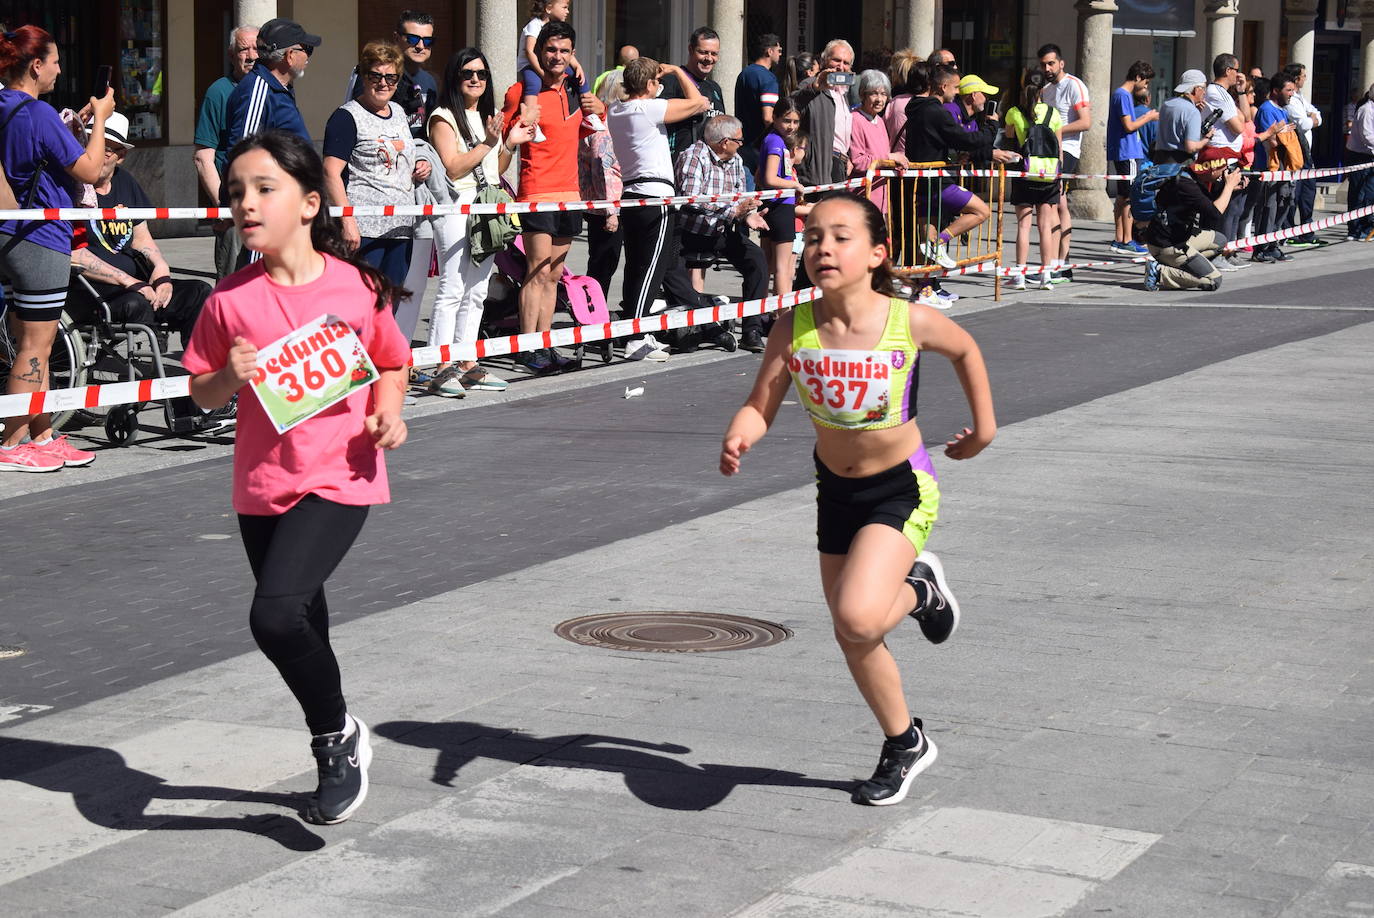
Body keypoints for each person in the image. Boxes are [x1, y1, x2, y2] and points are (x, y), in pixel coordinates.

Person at [719, 191, 995, 807]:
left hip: (901, 487)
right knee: (854, 634)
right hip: (834, 491)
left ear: (876, 253)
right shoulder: (795, 325)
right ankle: (905, 743)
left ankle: (920, 589)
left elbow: (966, 349)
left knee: (858, 616)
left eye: (840, 236)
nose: (823, 248)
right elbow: (762, 403)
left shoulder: (907, 319)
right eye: (814, 237)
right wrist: (742, 432)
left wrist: (984, 429)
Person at [183, 130, 411, 827]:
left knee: (274, 615)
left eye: (263, 189)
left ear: (310, 204)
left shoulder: (356, 287)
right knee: (304, 617)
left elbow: (393, 361)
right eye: (235, 193)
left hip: (342, 476)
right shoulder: (229, 300)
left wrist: (387, 416)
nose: (245, 204)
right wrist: (230, 375)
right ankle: (339, 733)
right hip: (262, 485)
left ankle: (333, 738)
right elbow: (199, 394)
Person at [0, 25, 114, 473]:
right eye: (54, 61)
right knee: (35, 343)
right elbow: (88, 170)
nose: (59, 69)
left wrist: (76, 126)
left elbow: (33, 155)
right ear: (35, 65)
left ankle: (41, 433)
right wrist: (101, 118)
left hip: (12, 233)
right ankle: (11, 442)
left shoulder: (6, 106)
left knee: (37, 343)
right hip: (40, 237)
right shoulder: (39, 112)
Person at [425, 48, 533, 398]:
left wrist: (509, 145)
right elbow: (454, 168)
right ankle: (442, 365)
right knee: (453, 288)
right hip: (458, 207)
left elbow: (494, 171)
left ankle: (466, 361)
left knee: (477, 291)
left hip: (486, 208)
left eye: (481, 74)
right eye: (467, 73)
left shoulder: (488, 115)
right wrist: (489, 141)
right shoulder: (443, 117)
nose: (475, 79)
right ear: (455, 78)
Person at [500, 20, 606, 374]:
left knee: (555, 274)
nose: (557, 56)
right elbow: (505, 141)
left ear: (572, 54)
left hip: (570, 193)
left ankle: (544, 345)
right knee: (536, 269)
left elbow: (595, 127)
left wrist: (598, 106)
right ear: (539, 52)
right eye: (551, 50)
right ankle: (527, 347)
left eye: (564, 51)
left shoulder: (577, 91)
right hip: (536, 191)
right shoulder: (521, 91)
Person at [607, 56, 710, 362]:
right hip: (655, 195)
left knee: (636, 265)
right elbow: (700, 102)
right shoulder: (648, 108)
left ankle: (636, 329)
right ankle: (636, 336)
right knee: (653, 268)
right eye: (657, 81)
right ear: (650, 84)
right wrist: (678, 70)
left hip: (632, 194)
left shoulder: (616, 109)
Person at [323, 41, 429, 288]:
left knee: (388, 304)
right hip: (364, 230)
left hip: (401, 226)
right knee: (360, 302)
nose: (383, 83)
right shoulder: (346, 117)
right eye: (376, 76)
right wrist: (347, 221)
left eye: (391, 78)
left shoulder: (399, 112)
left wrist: (421, 165)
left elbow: (404, 155)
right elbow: (330, 172)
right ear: (364, 76)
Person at [224, 17, 320, 270]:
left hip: (289, 204)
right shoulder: (258, 89)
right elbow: (243, 154)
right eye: (305, 50)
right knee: (261, 278)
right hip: (267, 209)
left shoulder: (279, 88)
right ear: (289, 55)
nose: (308, 57)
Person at [904, 65, 1016, 277]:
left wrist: (959, 155)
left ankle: (926, 289)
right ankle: (939, 243)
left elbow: (945, 142)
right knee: (981, 211)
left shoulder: (919, 108)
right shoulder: (936, 111)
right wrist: (992, 126)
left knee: (927, 234)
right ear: (943, 86)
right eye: (955, 88)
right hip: (934, 181)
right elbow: (968, 140)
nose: (957, 93)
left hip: (922, 181)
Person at [676, 115, 770, 353]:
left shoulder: (736, 159)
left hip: (721, 228)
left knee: (756, 260)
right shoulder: (693, 157)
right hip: (690, 231)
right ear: (724, 142)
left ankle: (752, 329)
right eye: (739, 140)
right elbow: (692, 200)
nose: (742, 144)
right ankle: (697, 323)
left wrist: (747, 214)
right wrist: (733, 211)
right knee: (676, 272)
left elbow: (739, 197)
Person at [193, 24, 258, 280]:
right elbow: (203, 158)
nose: (251, 55)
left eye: (256, 48)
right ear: (232, 55)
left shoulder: (273, 90)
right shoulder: (219, 92)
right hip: (233, 213)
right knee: (232, 286)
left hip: (268, 208)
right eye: (244, 49)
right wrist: (224, 209)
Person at [1000, 70, 1063, 291]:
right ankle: (1046, 276)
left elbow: (1008, 136)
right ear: (1043, 89)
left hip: (1025, 173)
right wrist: (1059, 175)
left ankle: (1019, 275)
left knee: (1023, 226)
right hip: (1048, 175)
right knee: (1045, 227)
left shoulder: (1014, 112)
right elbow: (1059, 148)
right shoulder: (1053, 114)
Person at [1142, 156, 1245, 291]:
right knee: (1214, 281)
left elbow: (1207, 204)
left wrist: (1229, 189)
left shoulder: (1189, 177)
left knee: (1220, 240)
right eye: (1223, 169)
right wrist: (1229, 187)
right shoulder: (1187, 186)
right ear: (1213, 170)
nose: (1225, 173)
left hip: (1174, 237)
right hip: (1168, 246)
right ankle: (1160, 272)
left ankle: (1185, 264)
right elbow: (1214, 214)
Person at [344, 11, 438, 142]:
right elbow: (358, 120)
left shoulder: (430, 82)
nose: (420, 46)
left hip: (420, 156)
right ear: (396, 38)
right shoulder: (375, 74)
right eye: (413, 39)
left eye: (428, 41)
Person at [1038, 44, 1090, 282]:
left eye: (1051, 63)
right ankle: (1057, 263)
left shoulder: (1074, 85)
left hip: (1067, 150)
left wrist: (1056, 131)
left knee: (1059, 204)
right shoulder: (1046, 89)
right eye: (1043, 64)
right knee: (1055, 204)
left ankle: (1063, 263)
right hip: (1047, 152)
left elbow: (1085, 122)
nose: (1047, 68)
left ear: (1061, 63)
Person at [580, 70, 625, 318]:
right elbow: (604, 169)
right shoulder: (603, 125)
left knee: (602, 263)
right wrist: (611, 212)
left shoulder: (606, 122)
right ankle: (593, 315)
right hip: (606, 207)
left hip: (603, 205)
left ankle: (594, 313)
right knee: (602, 265)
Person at [517, 0, 591, 140]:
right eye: (564, 7)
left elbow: (566, 52)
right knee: (534, 84)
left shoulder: (552, 27)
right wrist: (543, 74)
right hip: (529, 65)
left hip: (543, 64)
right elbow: (529, 52)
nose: (567, 11)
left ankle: (590, 115)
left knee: (578, 75)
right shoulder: (535, 25)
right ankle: (532, 124)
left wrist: (577, 66)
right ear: (549, 8)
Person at [757, 97, 808, 298]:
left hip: (775, 205)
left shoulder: (773, 140)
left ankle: (763, 313)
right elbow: (769, 178)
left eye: (796, 122)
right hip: (781, 206)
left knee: (768, 266)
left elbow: (759, 175)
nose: (791, 127)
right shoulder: (775, 141)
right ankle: (782, 315)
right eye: (787, 121)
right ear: (775, 118)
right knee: (783, 268)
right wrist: (794, 184)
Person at [1107, 61, 1156, 255]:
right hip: (1128, 152)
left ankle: (1120, 238)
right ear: (1138, 78)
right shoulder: (1123, 95)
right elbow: (1129, 125)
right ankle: (1127, 239)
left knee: (1122, 196)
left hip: (1125, 151)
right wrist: (1149, 117)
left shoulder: (1121, 95)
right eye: (1145, 83)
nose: (1145, 87)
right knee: (1129, 197)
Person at [793, 40, 856, 186]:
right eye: (836, 60)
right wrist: (814, 88)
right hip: (818, 166)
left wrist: (848, 157)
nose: (841, 66)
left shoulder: (844, 92)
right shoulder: (811, 84)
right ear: (824, 61)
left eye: (846, 63)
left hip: (840, 164)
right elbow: (790, 106)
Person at [657, 27, 726, 158]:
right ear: (690, 50)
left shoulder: (715, 88)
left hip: (710, 167)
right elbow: (659, 116)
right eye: (703, 52)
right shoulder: (671, 80)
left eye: (714, 54)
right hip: (679, 163)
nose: (709, 58)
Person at [1251, 73, 1299, 263]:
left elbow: (1286, 135)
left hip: (1286, 166)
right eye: (1288, 90)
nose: (1291, 95)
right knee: (1268, 206)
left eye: (1293, 91)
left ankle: (1273, 243)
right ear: (1276, 91)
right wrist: (1285, 133)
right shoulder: (1266, 110)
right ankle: (1261, 248)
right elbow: (1270, 140)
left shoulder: (1283, 111)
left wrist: (1286, 133)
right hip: (1270, 167)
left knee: (1285, 203)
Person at [848, 70, 908, 216]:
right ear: (862, 94)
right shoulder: (855, 119)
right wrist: (890, 157)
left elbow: (883, 156)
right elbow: (859, 161)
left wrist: (895, 164)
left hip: (881, 197)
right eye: (874, 93)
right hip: (862, 197)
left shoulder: (880, 121)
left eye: (883, 94)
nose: (879, 99)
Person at [1283, 63, 1323, 247]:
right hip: (1295, 153)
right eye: (1304, 75)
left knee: (1308, 192)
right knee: (1294, 194)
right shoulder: (1290, 100)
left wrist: (1312, 117)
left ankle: (1306, 231)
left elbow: (1317, 115)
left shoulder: (1300, 97)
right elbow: (1304, 124)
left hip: (1307, 153)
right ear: (1296, 78)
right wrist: (1311, 118)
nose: (1306, 78)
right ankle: (1289, 231)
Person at [736, 32, 782, 173]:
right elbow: (768, 117)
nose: (780, 54)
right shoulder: (768, 78)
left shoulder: (744, 73)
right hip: (759, 148)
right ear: (769, 51)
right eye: (779, 50)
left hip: (742, 145)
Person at [1153, 69, 1214, 164]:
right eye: (1204, 88)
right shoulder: (1192, 111)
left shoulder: (1166, 104)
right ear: (1196, 89)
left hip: (1159, 162)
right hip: (1179, 167)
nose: (1205, 93)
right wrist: (1207, 138)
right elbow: (1191, 147)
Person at [1344, 84, 1374, 241]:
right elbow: (1367, 136)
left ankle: (1365, 227)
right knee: (1359, 193)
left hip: (1368, 156)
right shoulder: (1366, 110)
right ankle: (1356, 229)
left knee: (1369, 193)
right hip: (1360, 156)